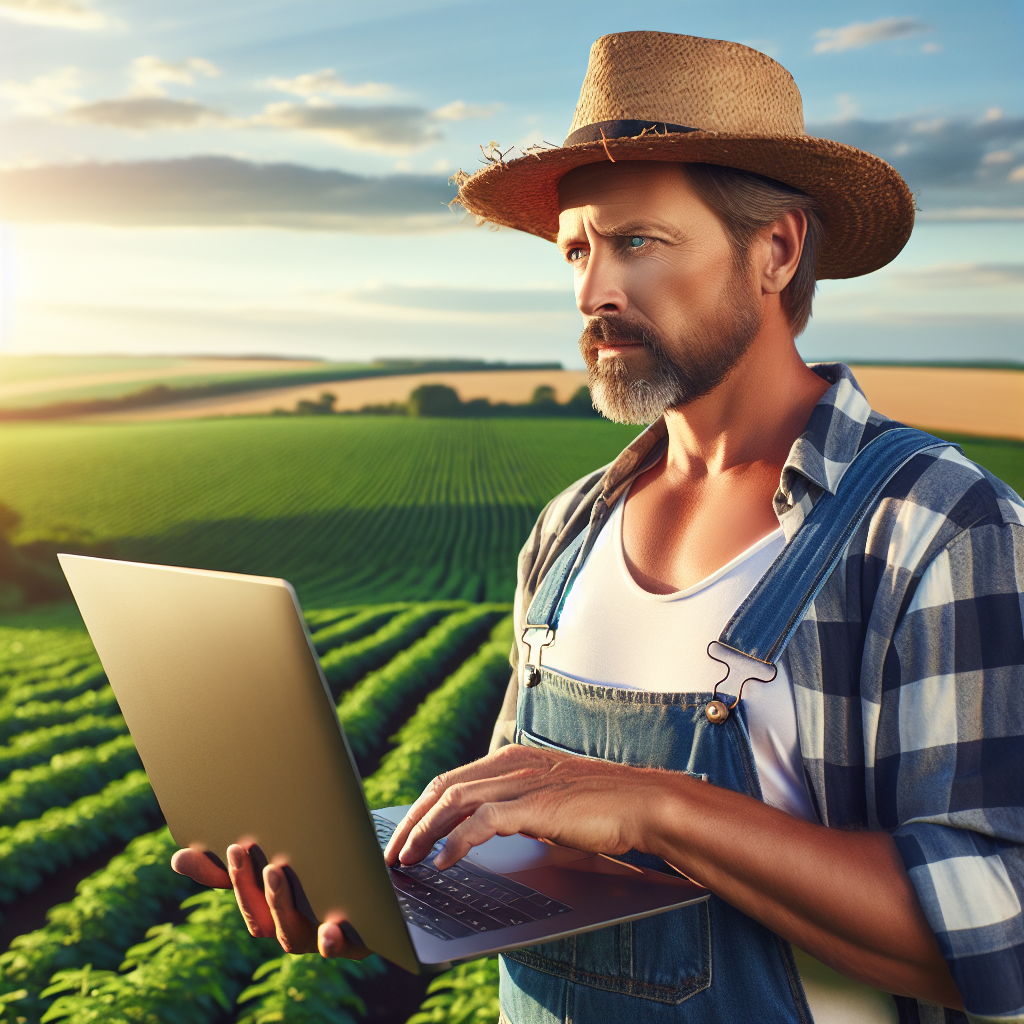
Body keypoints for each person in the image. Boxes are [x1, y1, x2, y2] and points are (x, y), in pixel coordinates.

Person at [172, 32, 1024, 1023]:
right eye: (577, 249)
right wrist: (394, 881)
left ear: (777, 249)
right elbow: (524, 823)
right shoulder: (571, 527)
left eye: (637, 243)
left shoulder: (935, 529)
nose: (592, 293)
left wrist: (663, 804)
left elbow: (1004, 930)